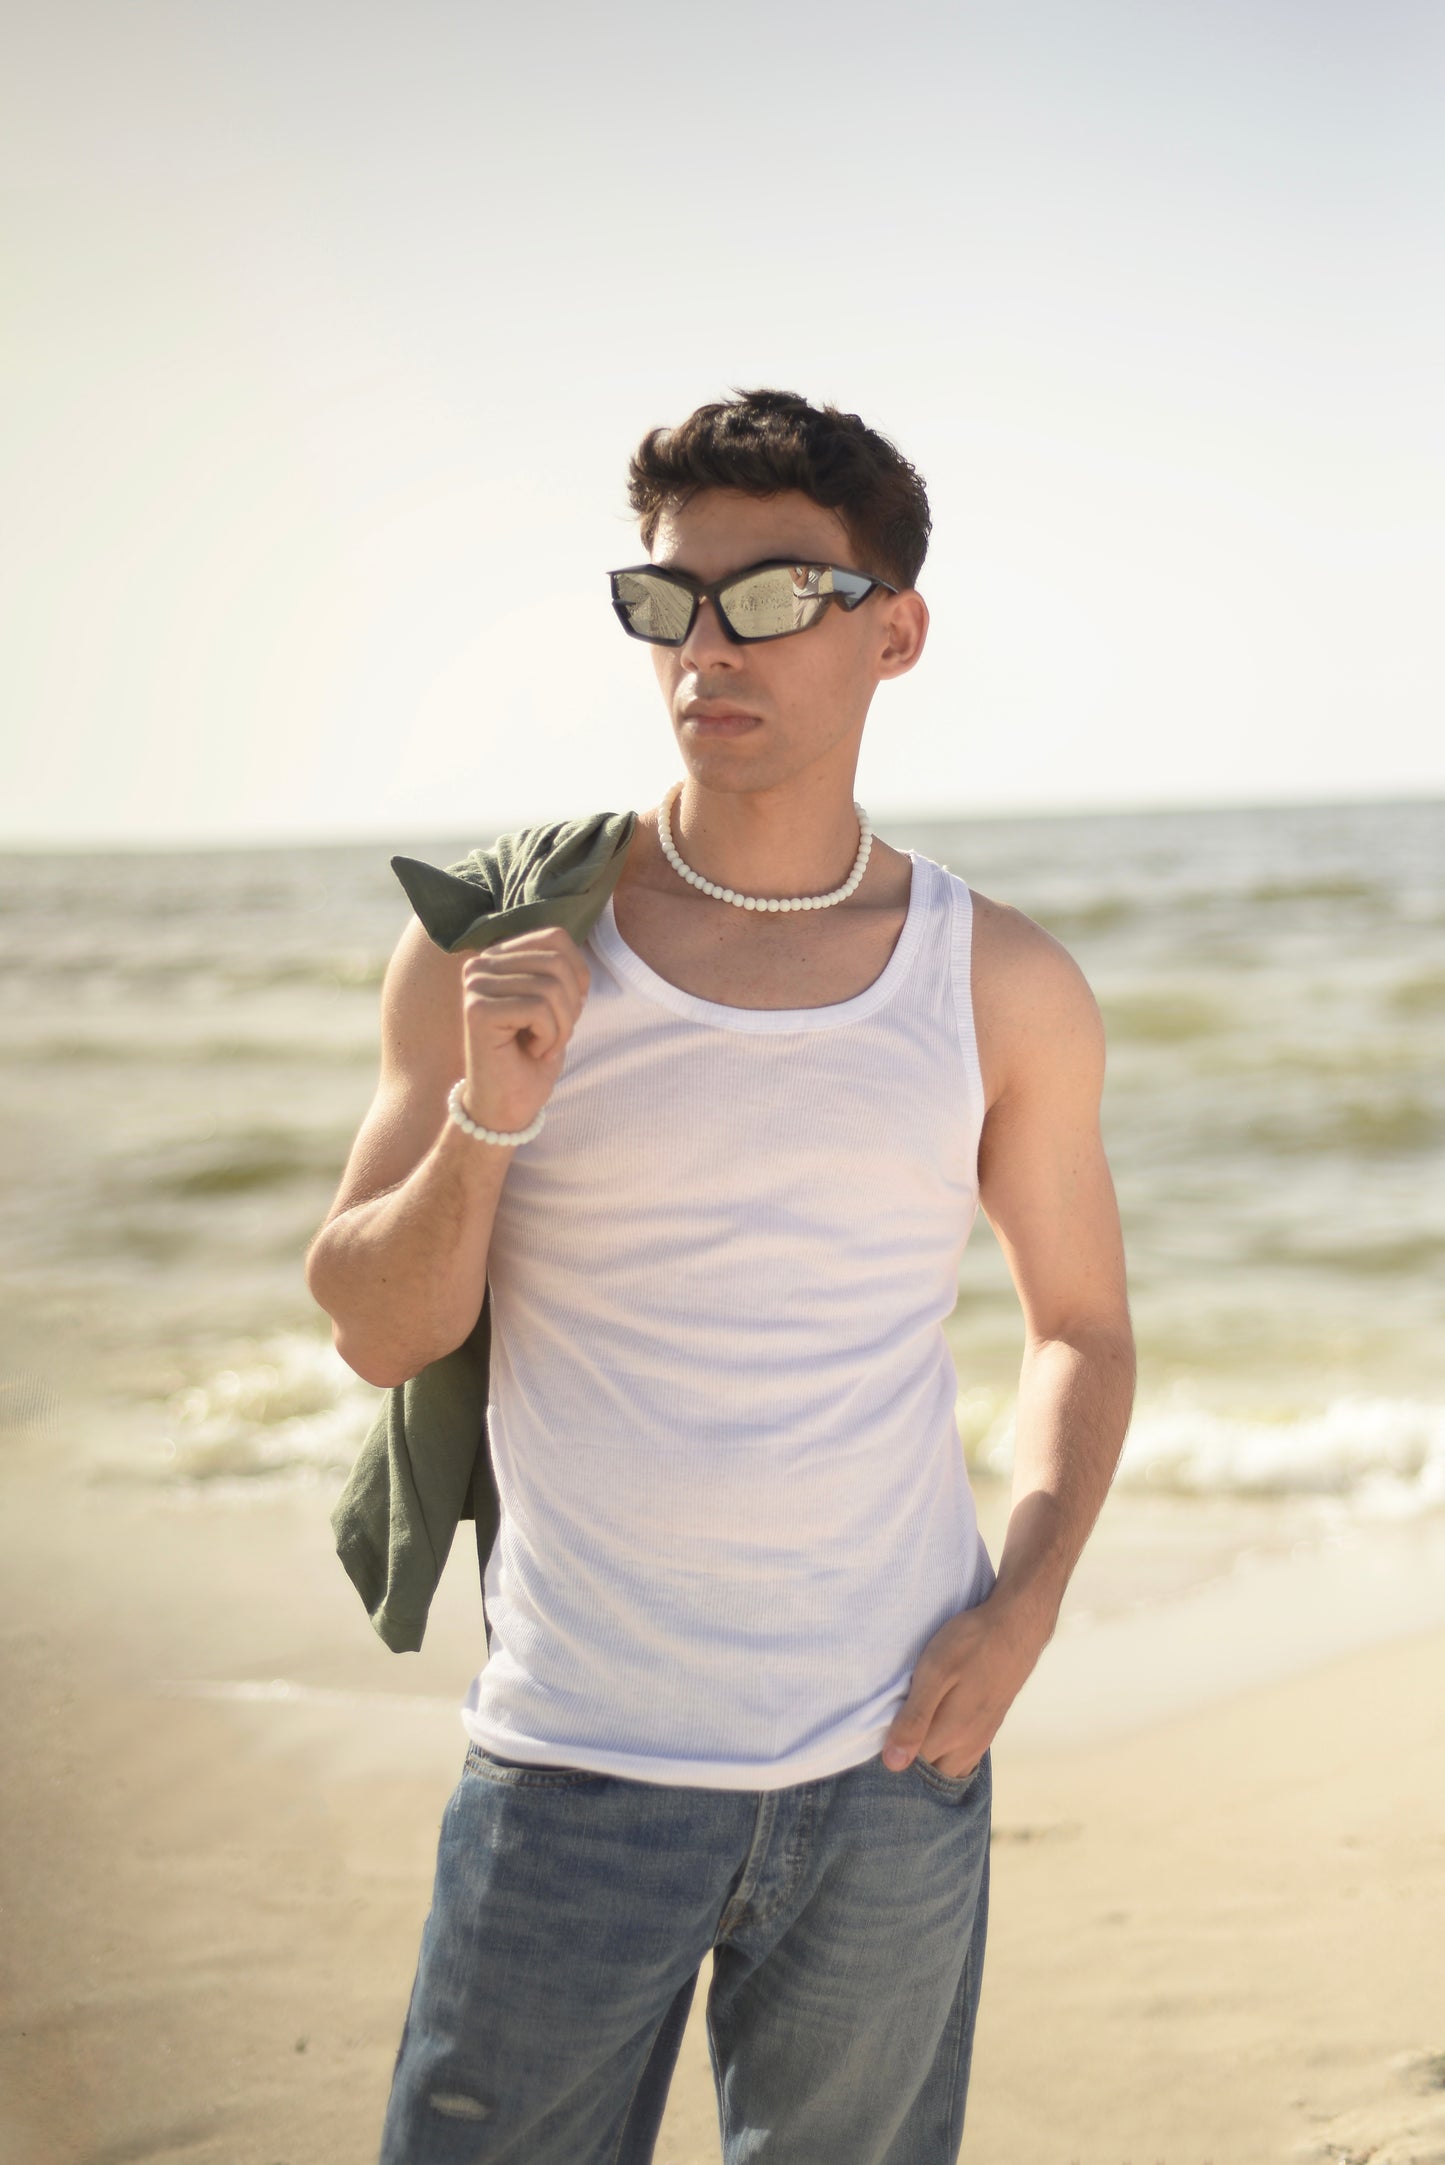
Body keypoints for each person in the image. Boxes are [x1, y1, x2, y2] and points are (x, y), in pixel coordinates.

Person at [306, 388, 1136, 2165]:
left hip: (891, 1770)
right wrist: (487, 1120)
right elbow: (377, 1320)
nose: (707, 644)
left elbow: (1077, 1325)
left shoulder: (997, 980)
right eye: (670, 597)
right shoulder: (500, 943)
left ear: (893, 631)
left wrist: (1027, 1601)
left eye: (772, 596)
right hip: (568, 1767)